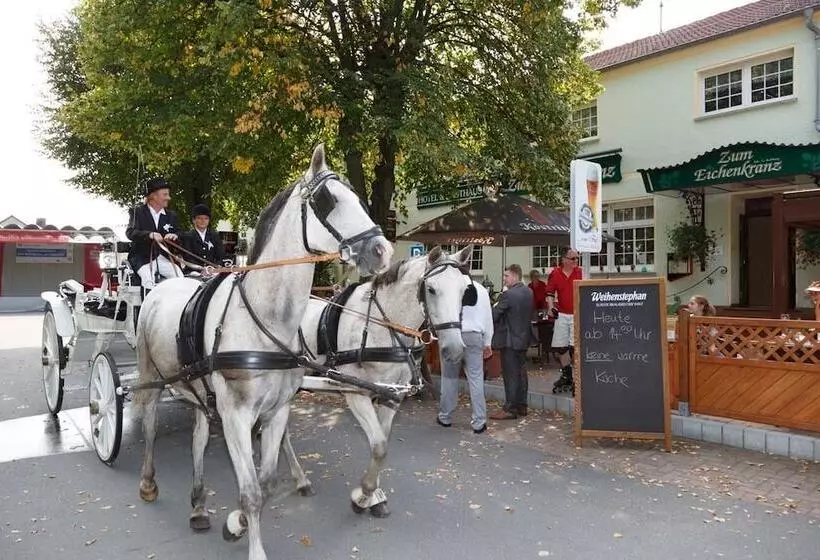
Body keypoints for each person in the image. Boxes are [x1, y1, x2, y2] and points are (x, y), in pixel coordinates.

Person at [437, 279, 494, 434]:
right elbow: (488, 317)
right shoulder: (481, 289)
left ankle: (445, 416)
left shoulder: (450, 285)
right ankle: (479, 422)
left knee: (449, 377)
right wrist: (488, 341)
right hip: (475, 336)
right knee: (476, 378)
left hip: (453, 335)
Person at [489, 264, 534, 420]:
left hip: (509, 340)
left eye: (506, 276)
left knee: (510, 374)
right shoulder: (529, 292)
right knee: (521, 372)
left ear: (515, 276)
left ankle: (510, 408)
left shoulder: (508, 295)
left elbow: (494, 315)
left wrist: (496, 303)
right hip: (523, 338)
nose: (504, 278)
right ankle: (522, 405)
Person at [125, 176, 183, 289]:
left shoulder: (172, 216)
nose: (169, 198)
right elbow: (130, 232)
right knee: (148, 279)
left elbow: (180, 233)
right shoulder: (137, 212)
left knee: (179, 277)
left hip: (165, 257)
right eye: (165, 194)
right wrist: (149, 235)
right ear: (153, 196)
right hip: (142, 258)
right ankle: (147, 306)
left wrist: (175, 235)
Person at [545, 246, 582, 395]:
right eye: (573, 258)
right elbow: (549, 292)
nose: (575, 261)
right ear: (564, 259)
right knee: (561, 347)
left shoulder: (580, 272)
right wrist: (550, 307)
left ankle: (577, 379)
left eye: (576, 258)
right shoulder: (556, 273)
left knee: (574, 347)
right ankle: (567, 375)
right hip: (562, 314)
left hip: (576, 314)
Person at [180, 203, 225, 272]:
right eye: (199, 218)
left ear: (209, 220)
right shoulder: (187, 236)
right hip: (193, 272)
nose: (203, 221)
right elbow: (188, 258)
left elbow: (220, 255)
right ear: (194, 220)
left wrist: (214, 267)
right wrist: (202, 269)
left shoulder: (214, 235)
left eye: (206, 218)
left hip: (212, 271)